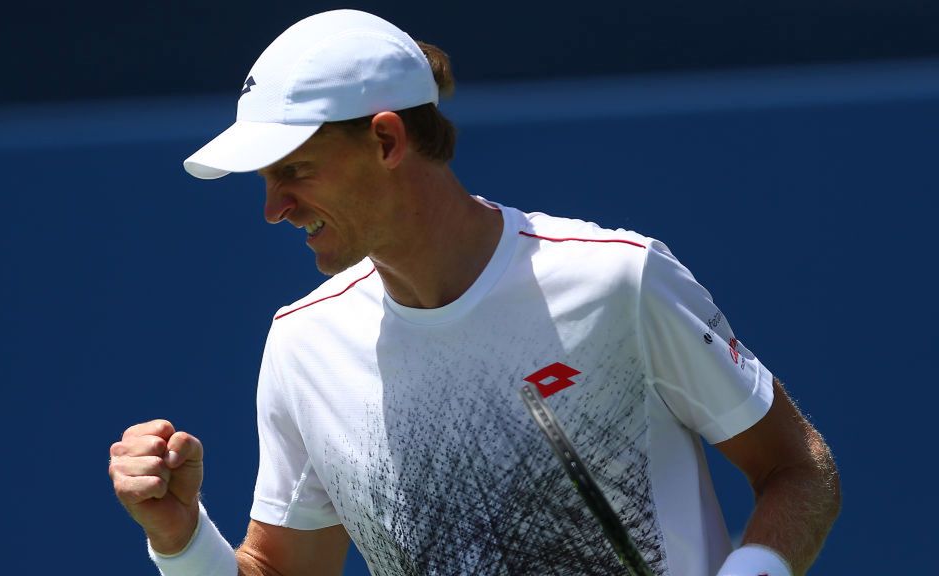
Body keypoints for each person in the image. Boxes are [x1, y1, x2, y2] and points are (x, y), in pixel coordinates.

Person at [108, 9, 841, 576]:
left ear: (388, 142)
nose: (273, 207)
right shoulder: (304, 347)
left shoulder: (617, 279)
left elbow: (797, 469)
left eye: (294, 171)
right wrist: (180, 540)